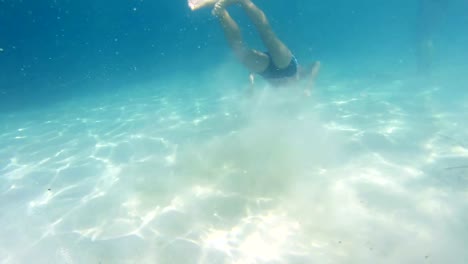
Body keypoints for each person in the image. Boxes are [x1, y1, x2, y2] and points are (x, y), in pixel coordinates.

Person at [190, 0, 320, 95]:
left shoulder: (274, 96)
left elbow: (252, 74)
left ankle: (221, 12)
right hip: (288, 67)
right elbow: (316, 64)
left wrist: (251, 84)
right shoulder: (301, 75)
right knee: (267, 35)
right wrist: (309, 86)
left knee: (239, 52)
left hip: (268, 73)